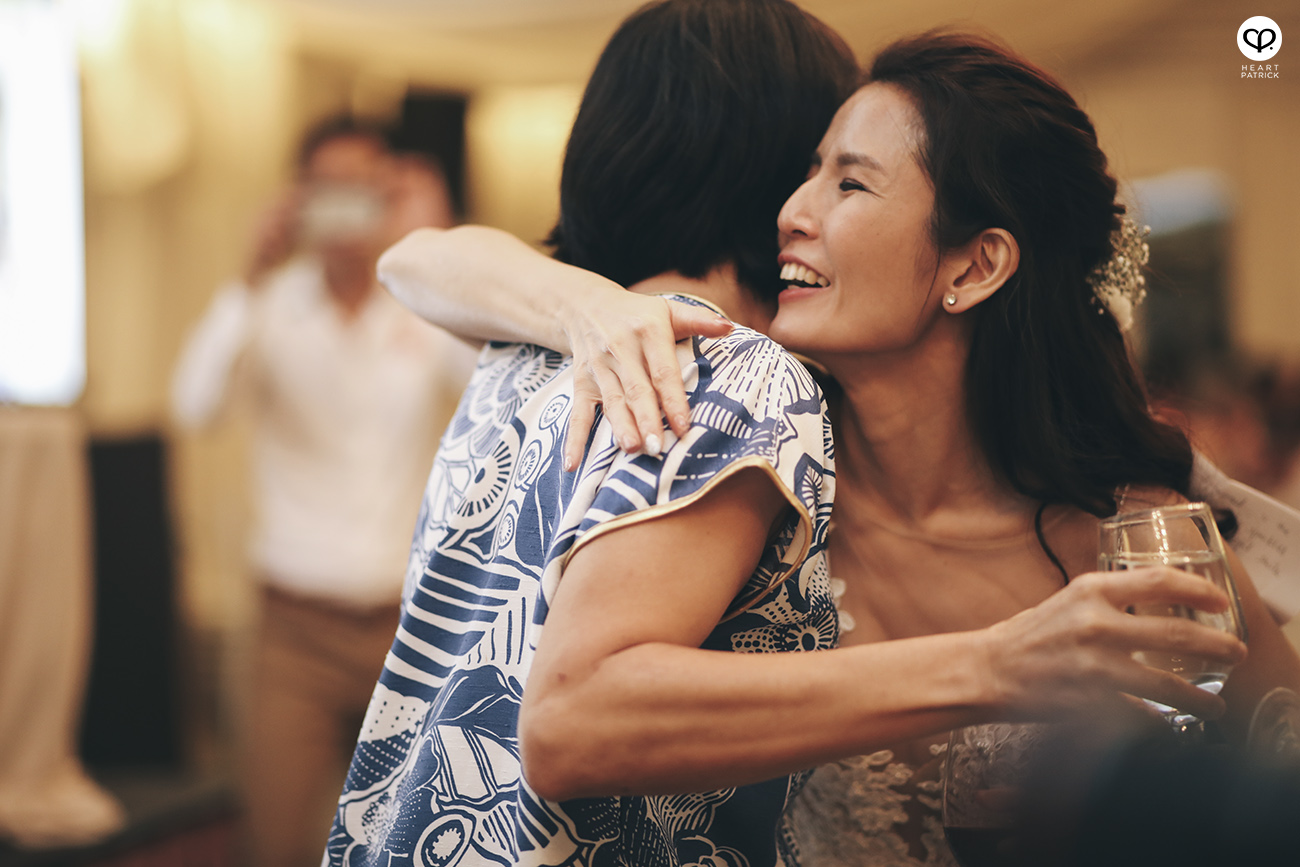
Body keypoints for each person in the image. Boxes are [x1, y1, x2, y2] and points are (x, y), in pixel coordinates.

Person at [370, 28, 1300, 866]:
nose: (790, 211)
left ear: (976, 264)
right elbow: (420, 262)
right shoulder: (757, 468)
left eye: (849, 183)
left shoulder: (1137, 538)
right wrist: (591, 305)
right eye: (806, 171)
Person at [170, 118, 476, 867]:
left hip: (409, 625)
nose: (347, 207)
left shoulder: (421, 307)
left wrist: (437, 245)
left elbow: (498, 391)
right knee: (274, 840)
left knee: (415, 840)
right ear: (301, 195)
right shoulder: (270, 305)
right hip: (292, 630)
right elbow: (193, 405)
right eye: (329, 187)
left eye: (364, 187)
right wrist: (248, 275)